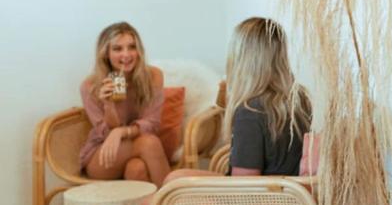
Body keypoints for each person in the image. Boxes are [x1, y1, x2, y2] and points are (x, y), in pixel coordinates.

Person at [165, 17, 312, 180]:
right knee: (175, 178)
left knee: (170, 183)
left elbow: (243, 185)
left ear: (242, 59)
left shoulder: (250, 111)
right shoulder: (299, 98)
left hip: (257, 198)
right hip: (287, 195)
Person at [79, 22, 170, 186]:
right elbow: (104, 133)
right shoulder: (90, 86)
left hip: (137, 149)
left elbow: (152, 123)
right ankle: (174, 200)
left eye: (132, 47)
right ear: (105, 53)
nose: (126, 54)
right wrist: (108, 104)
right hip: (102, 155)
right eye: (117, 49)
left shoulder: (153, 76)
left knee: (136, 169)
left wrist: (122, 132)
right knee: (149, 142)